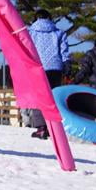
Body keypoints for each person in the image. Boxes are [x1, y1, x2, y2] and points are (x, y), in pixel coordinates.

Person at [27, 9, 70, 139]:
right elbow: (64, 51)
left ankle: (41, 127)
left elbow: (26, 48)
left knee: (39, 97)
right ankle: (54, 127)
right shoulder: (59, 33)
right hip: (55, 68)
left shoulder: (30, 32)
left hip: (37, 67)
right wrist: (67, 64)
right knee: (53, 98)